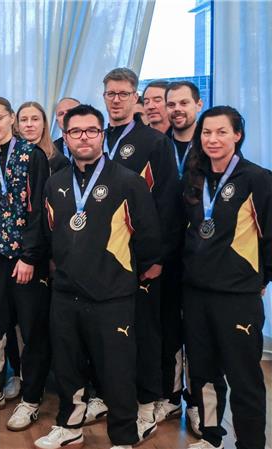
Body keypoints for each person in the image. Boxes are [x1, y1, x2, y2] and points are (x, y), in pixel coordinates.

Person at [33, 104, 162, 449]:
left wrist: (127, 276)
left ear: (102, 135)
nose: (84, 138)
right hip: (65, 293)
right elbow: (49, 234)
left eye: (91, 130)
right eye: (75, 132)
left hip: (112, 296)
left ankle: (123, 436)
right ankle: (70, 426)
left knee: (117, 371)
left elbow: (149, 239)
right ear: (65, 137)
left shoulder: (128, 181)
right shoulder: (55, 183)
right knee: (67, 367)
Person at [181, 106, 269, 449]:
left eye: (221, 132)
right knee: (203, 372)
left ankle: (250, 444)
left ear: (237, 135)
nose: (212, 139)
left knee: (244, 378)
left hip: (237, 296)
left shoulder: (258, 179)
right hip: (196, 293)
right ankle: (211, 436)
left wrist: (260, 279)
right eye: (207, 132)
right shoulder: (194, 178)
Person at [98, 67, 181, 428]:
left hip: (141, 257)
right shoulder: (97, 137)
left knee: (145, 329)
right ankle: (108, 394)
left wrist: (157, 257)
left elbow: (167, 204)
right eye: (110, 94)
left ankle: (148, 400)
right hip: (101, 256)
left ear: (136, 98)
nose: (116, 100)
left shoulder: (154, 142)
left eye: (124, 94)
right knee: (108, 332)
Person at [0, 96, 52, 430]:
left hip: (25, 259)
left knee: (30, 328)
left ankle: (32, 398)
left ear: (12, 119)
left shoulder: (32, 156)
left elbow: (39, 209)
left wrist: (29, 256)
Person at [154, 80, 205, 431]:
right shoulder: (159, 145)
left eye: (183, 103)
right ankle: (170, 398)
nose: (176, 110)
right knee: (168, 331)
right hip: (168, 256)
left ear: (197, 105)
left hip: (203, 258)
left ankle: (199, 405)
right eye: (171, 104)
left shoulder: (211, 145)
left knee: (199, 337)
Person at [17, 101, 70, 175]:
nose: (29, 124)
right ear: (17, 125)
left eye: (35, 119)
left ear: (44, 123)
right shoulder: (10, 156)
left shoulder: (59, 161)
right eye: (24, 120)